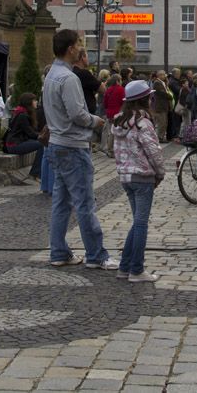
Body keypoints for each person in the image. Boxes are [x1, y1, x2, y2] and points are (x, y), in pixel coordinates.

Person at [43, 29, 117, 270]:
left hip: (56, 143)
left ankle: (58, 252)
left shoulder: (51, 75)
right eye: (78, 44)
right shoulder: (69, 78)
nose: (80, 48)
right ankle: (96, 255)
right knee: (85, 202)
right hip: (73, 145)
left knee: (61, 201)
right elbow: (77, 114)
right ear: (70, 49)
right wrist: (95, 121)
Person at [112, 80, 165, 283]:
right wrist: (159, 174)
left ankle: (124, 268)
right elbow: (153, 152)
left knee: (137, 223)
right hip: (142, 177)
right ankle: (137, 270)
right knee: (141, 224)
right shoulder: (143, 122)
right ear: (146, 99)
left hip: (126, 177)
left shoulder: (119, 122)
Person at [4, 93, 45, 179]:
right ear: (29, 102)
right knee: (42, 145)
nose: (36, 102)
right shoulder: (22, 115)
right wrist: (42, 136)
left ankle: (37, 173)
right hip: (14, 144)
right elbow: (30, 133)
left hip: (19, 141)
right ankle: (35, 173)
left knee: (41, 143)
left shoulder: (22, 113)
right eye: (34, 100)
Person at [101, 74, 125, 156]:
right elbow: (123, 102)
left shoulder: (108, 90)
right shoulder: (121, 89)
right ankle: (113, 150)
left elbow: (105, 104)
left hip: (109, 113)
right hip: (118, 113)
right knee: (117, 132)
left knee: (111, 132)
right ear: (118, 81)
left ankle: (110, 150)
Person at [72, 49, 101, 115]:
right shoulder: (84, 73)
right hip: (87, 112)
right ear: (83, 57)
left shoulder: (71, 72)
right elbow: (102, 89)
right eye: (87, 57)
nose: (88, 60)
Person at [150, 77, 172, 143]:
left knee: (164, 123)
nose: (165, 76)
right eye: (163, 74)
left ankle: (161, 137)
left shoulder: (163, 83)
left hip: (163, 107)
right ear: (160, 75)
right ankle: (159, 137)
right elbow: (162, 93)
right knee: (161, 123)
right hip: (160, 107)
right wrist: (169, 95)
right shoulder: (157, 83)